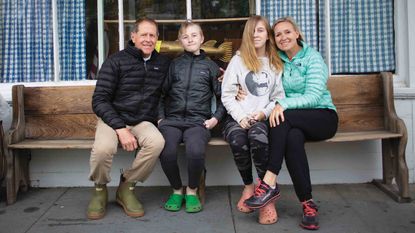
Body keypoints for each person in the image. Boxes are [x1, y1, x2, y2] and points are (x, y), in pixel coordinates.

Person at [243, 17, 338, 230]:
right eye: (277, 34)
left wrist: (282, 104)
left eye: (287, 32)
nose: (283, 37)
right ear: (274, 40)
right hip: (294, 123)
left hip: (322, 117)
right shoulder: (278, 60)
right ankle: (308, 204)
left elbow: (313, 97)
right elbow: (262, 81)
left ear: (297, 34)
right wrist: (237, 86)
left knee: (280, 116)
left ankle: (268, 182)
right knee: (292, 138)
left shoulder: (313, 58)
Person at [87, 17, 171, 220]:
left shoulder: (163, 63)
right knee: (103, 149)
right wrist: (120, 128)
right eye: (144, 34)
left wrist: (220, 78)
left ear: (157, 38)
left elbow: (179, 83)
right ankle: (100, 190)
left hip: (142, 120)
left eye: (152, 35)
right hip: (113, 119)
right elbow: (99, 100)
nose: (148, 39)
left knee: (157, 142)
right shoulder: (116, 61)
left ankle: (127, 186)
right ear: (133, 36)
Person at [221, 15, 285, 224]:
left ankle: (266, 195)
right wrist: (240, 117)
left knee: (258, 138)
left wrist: (262, 114)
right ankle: (248, 186)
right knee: (238, 141)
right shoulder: (238, 60)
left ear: (267, 35)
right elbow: (227, 95)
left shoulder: (275, 63)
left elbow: (278, 98)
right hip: (236, 117)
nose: (255, 34)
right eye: (251, 30)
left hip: (261, 118)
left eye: (260, 30)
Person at [158, 22, 225, 213]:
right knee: (167, 151)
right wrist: (161, 118)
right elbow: (161, 95)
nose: (190, 39)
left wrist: (215, 119)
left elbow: (222, 99)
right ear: (180, 41)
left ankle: (192, 190)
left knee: (195, 152)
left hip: (198, 121)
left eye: (194, 35)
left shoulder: (211, 66)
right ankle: (177, 190)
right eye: (186, 36)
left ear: (202, 38)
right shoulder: (174, 65)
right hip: (172, 121)